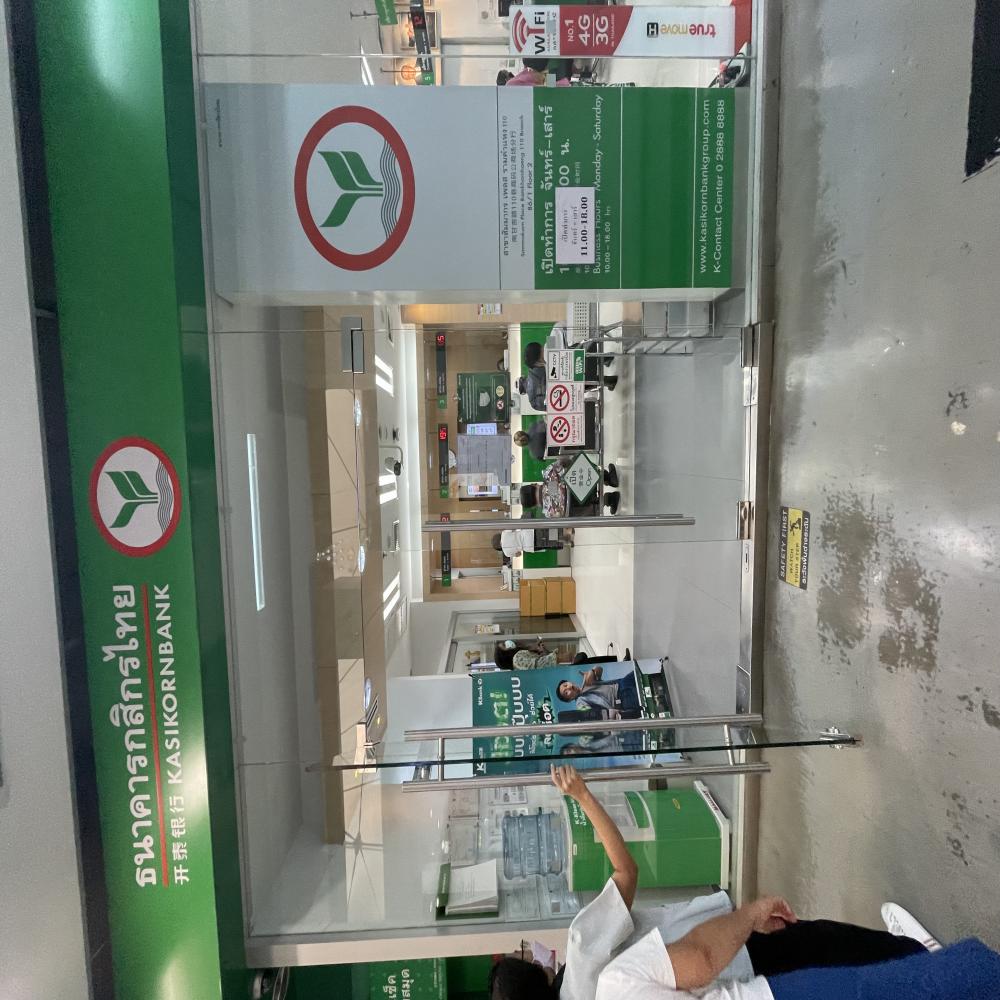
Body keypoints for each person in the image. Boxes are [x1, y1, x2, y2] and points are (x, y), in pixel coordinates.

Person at [488, 766, 971, 1000]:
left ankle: (922, 967)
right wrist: (582, 796)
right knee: (828, 944)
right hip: (726, 951)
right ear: (536, 975)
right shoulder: (582, 951)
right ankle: (921, 953)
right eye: (525, 961)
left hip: (732, 986)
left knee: (837, 977)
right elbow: (626, 873)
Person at [520, 461, 620, 517]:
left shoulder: (550, 514)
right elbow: (565, 460)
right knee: (574, 464)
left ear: (533, 506)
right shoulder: (548, 475)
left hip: (591, 505)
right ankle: (606, 477)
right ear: (533, 484)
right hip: (588, 482)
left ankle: (608, 500)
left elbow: (555, 495)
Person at [556, 666, 641, 718]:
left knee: (646, 677)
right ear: (569, 699)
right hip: (623, 698)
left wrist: (592, 672)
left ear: (569, 682)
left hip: (623, 682)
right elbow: (589, 714)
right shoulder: (580, 702)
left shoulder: (586, 682)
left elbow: (600, 669)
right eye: (566, 692)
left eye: (565, 685)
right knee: (646, 696)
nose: (569, 688)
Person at [492, 527, 564, 558]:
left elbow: (519, 554)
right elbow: (514, 528)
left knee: (547, 544)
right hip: (529, 533)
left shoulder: (506, 553)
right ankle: (564, 532)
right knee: (547, 534)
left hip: (530, 546)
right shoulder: (504, 533)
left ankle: (564, 542)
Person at [493, 638, 558, 671]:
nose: (507, 642)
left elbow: (542, 662)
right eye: (504, 645)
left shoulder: (518, 659)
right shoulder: (517, 660)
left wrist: (542, 651)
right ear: (505, 656)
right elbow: (546, 662)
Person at [501, 58, 572, 88]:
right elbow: (539, 88)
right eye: (509, 75)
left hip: (545, 76)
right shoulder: (510, 85)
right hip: (546, 79)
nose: (512, 75)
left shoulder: (511, 84)